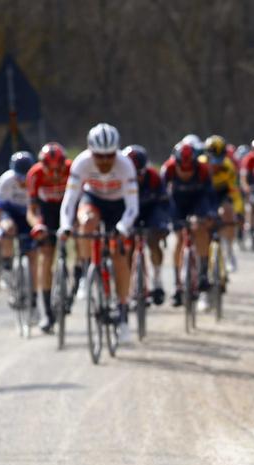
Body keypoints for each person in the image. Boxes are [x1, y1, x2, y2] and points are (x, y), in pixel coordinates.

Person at [57, 123, 139, 345]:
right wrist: (65, 226)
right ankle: (86, 272)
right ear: (90, 151)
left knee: (120, 256)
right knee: (86, 222)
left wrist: (122, 227)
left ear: (116, 152)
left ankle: (122, 314)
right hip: (93, 200)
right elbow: (69, 200)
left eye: (109, 156)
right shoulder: (81, 163)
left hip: (119, 205)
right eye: (99, 156)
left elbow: (133, 206)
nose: (104, 161)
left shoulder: (125, 165)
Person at [160, 138, 216, 307]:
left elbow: (210, 196)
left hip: (198, 202)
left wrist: (210, 214)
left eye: (189, 168)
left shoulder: (202, 170)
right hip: (177, 204)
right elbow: (162, 197)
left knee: (200, 229)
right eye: (181, 168)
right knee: (178, 238)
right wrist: (165, 218)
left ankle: (203, 272)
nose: (185, 172)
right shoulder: (167, 169)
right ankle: (177, 285)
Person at [27, 142, 71, 332]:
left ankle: (79, 276)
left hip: (67, 209)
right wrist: (37, 225)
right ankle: (47, 313)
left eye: (58, 169)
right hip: (47, 213)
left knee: (82, 236)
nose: (54, 173)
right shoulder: (34, 175)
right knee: (45, 257)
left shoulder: (71, 169)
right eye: (49, 169)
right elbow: (31, 209)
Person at [122, 144, 172, 305]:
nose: (135, 178)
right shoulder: (119, 179)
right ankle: (131, 286)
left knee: (153, 240)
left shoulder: (154, 177)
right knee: (127, 249)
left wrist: (164, 223)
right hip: (129, 212)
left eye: (139, 174)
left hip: (151, 211)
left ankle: (157, 280)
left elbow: (164, 203)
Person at [0, 150, 37, 314]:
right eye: (19, 178)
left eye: (25, 178)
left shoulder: (35, 179)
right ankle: (7, 269)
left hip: (29, 215)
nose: (23, 182)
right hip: (10, 213)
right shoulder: (5, 181)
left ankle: (33, 298)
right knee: (8, 228)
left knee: (33, 254)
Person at [203, 134, 243, 272]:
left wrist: (239, 212)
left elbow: (235, 193)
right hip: (206, 196)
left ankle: (229, 250)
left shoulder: (228, 167)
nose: (216, 164)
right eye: (212, 160)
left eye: (219, 160)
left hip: (222, 194)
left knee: (228, 212)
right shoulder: (200, 164)